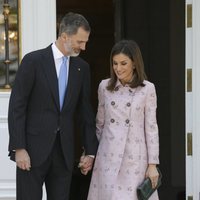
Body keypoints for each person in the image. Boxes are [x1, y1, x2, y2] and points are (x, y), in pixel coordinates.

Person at [8, 12, 98, 200]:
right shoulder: (33, 61)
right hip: (31, 151)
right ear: (64, 36)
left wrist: (90, 151)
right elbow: (17, 105)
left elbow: (85, 112)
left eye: (85, 42)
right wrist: (19, 147)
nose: (84, 47)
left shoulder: (82, 68)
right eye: (80, 42)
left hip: (64, 153)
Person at [86, 40, 160, 200]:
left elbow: (151, 127)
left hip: (134, 158)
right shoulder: (104, 87)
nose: (118, 68)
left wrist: (152, 164)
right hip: (108, 157)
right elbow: (100, 124)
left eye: (123, 63)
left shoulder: (147, 89)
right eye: (115, 63)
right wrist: (91, 155)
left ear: (134, 64)